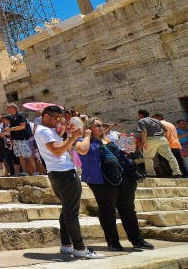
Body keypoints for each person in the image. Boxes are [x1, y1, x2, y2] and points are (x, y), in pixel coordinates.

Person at [35, 104, 104, 259]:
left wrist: (67, 134)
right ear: (46, 116)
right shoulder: (45, 131)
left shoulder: (48, 131)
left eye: (60, 118)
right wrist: (72, 138)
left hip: (58, 172)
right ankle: (79, 247)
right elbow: (58, 151)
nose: (59, 121)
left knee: (67, 209)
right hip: (64, 173)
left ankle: (66, 244)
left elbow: (59, 147)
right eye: (56, 118)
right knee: (72, 212)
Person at [76, 118, 152, 251]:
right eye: (97, 126)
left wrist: (127, 152)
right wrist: (87, 135)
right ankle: (113, 241)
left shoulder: (107, 140)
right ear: (89, 128)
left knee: (128, 209)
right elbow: (82, 150)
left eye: (102, 125)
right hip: (102, 181)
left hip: (123, 178)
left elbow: (119, 154)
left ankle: (137, 240)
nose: (101, 127)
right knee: (107, 210)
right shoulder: (82, 141)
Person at [137, 109, 182, 177]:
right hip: (162, 138)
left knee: (148, 157)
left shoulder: (141, 120)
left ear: (140, 115)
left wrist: (144, 142)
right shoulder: (157, 120)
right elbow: (164, 130)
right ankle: (177, 173)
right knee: (170, 157)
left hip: (151, 138)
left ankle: (151, 174)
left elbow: (144, 131)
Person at [6, 103, 35, 176]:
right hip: (16, 140)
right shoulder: (12, 117)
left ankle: (35, 171)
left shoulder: (20, 115)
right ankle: (25, 172)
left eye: (8, 108)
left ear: (12, 107)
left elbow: (22, 126)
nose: (7, 110)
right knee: (20, 156)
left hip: (23, 139)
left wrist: (11, 129)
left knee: (28, 155)